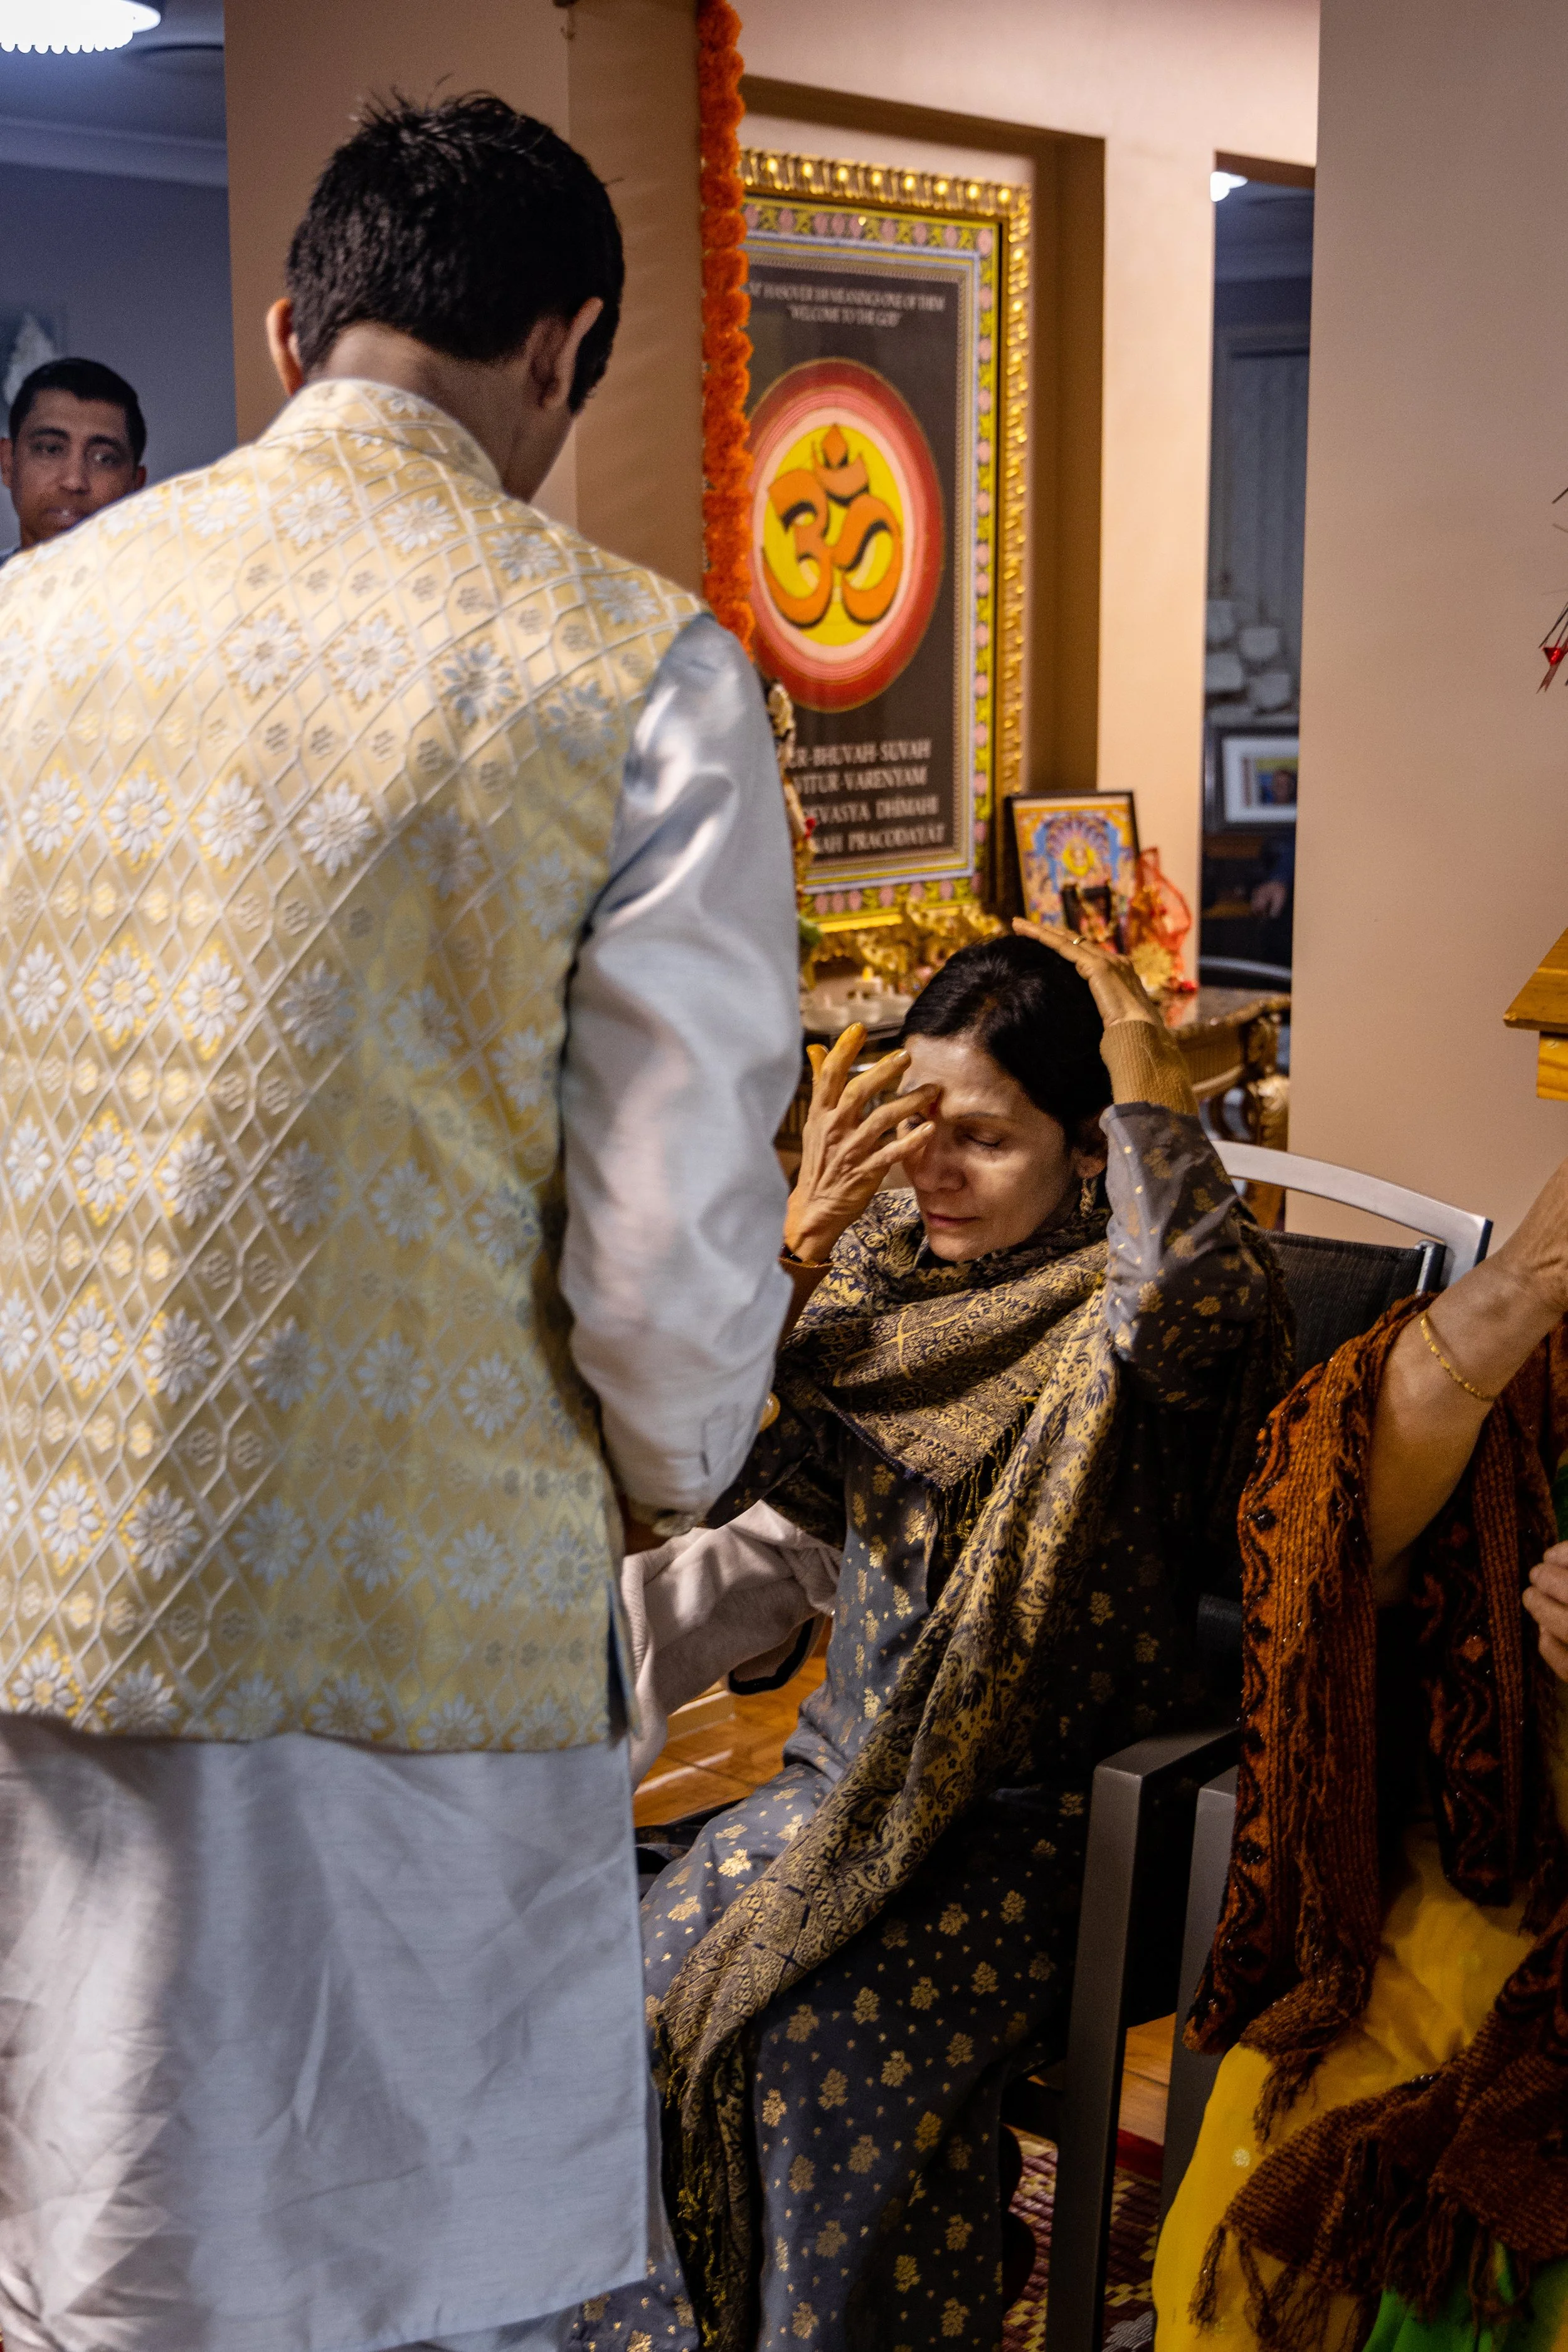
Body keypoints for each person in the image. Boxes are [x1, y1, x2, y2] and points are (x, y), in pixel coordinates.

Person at [0, 95, 800, 2352]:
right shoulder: (625, 671)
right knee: (381, 2267)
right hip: (407, 1655)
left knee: (83, 2225)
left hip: (37, 1591)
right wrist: (674, 1479)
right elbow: (662, 1271)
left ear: (283, 330)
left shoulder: (26, 631)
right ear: (565, 353)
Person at [589, 925, 1292, 2352]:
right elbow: (719, 1485)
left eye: (983, 1136)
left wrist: (1156, 1081)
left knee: (814, 2057)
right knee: (616, 2019)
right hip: (837, 1790)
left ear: (1098, 1148)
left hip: (1043, 1837)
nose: (931, 1170)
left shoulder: (1146, 1323)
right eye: (917, 1125)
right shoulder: (887, 1266)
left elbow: (1198, 1293)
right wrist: (790, 1252)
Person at [1153, 1157, 1568, 2352]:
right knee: (1255, 2222)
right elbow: (1331, 1525)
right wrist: (1531, 1277)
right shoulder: (1541, 1351)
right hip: (1493, 1884)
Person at [0, 354, 146, 556]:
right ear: (8, 463)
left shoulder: (180, 587)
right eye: (51, 449)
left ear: (135, 486)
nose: (74, 482)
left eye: (104, 459)